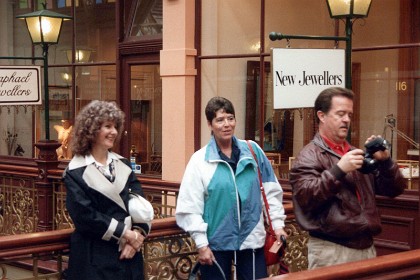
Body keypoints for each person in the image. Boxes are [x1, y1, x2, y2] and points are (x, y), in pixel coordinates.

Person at [289, 87, 405, 269]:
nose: (346, 120)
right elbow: (306, 198)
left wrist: (386, 162)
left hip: (366, 247)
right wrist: (339, 170)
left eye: (349, 115)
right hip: (332, 250)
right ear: (321, 115)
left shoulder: (354, 153)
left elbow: (395, 189)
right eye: (340, 114)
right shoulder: (309, 156)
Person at [175, 96, 287, 279]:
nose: (226, 124)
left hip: (252, 242)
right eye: (219, 120)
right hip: (215, 245)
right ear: (209, 124)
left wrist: (278, 226)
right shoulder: (200, 161)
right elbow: (189, 207)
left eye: (230, 118)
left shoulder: (253, 151)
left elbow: (271, 191)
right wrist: (201, 243)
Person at [63, 100, 150, 280]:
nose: (114, 132)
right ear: (91, 130)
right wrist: (126, 234)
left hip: (128, 255)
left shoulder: (123, 164)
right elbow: (84, 216)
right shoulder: (74, 171)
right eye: (107, 126)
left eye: (115, 127)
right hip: (93, 258)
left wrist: (137, 238)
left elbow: (138, 201)